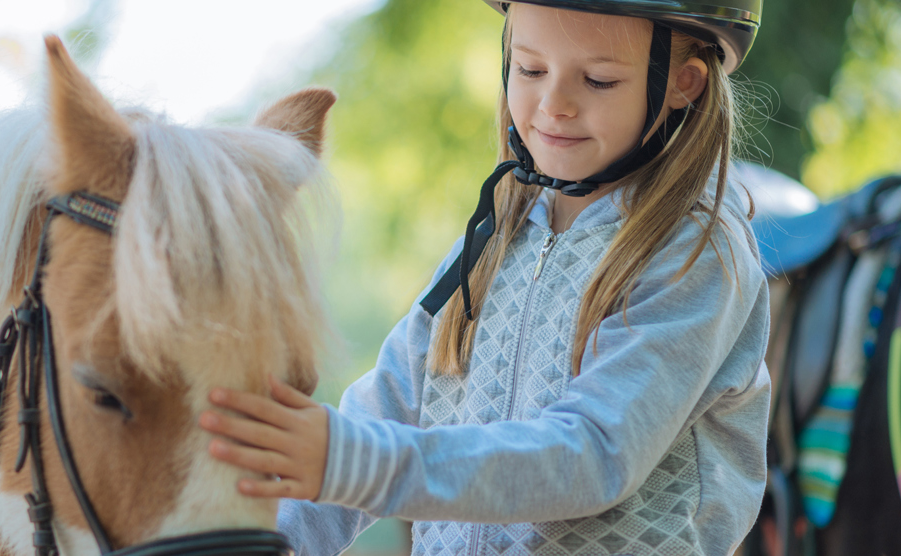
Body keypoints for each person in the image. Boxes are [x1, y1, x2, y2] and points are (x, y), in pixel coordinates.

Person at [198, 1, 770, 554]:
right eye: (530, 69)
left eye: (598, 80)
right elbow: (390, 401)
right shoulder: (493, 236)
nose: (555, 103)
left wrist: (354, 463)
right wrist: (276, 534)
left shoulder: (696, 253)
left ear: (683, 83)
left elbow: (595, 455)